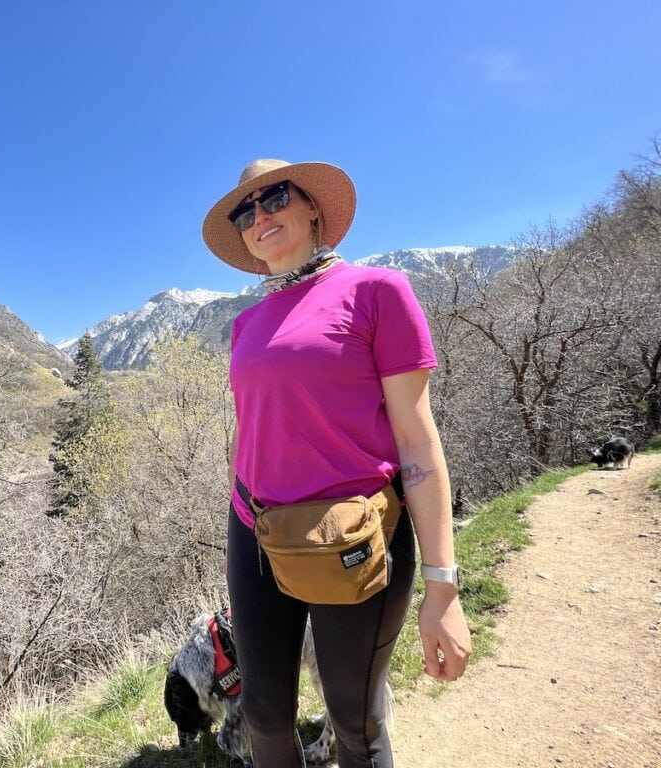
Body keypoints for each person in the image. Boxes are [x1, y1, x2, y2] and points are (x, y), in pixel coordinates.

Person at [201, 158, 472, 768]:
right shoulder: (244, 324)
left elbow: (419, 445)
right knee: (266, 715)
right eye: (246, 211)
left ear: (314, 208)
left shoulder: (378, 292)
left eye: (275, 199)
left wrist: (442, 588)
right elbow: (260, 427)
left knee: (354, 722)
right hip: (258, 529)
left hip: (355, 534)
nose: (260, 216)